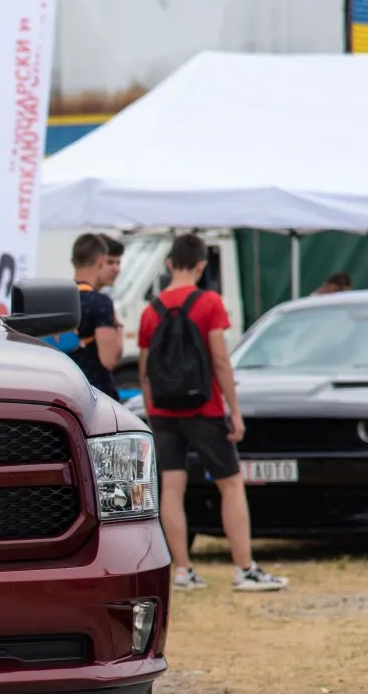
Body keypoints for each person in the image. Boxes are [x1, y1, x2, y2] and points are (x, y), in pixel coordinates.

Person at [137, 232, 288, 592]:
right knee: (231, 484)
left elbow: (144, 371)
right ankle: (244, 568)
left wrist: (152, 412)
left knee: (171, 486)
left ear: (169, 264)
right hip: (203, 407)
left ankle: (183, 570)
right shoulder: (209, 303)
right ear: (202, 266)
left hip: (164, 411)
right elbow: (220, 360)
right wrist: (234, 410)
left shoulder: (150, 311)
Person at [64, 233, 122, 399]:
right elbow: (109, 359)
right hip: (95, 393)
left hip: (65, 390)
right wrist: (118, 328)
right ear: (101, 260)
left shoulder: (58, 297)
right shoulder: (100, 302)